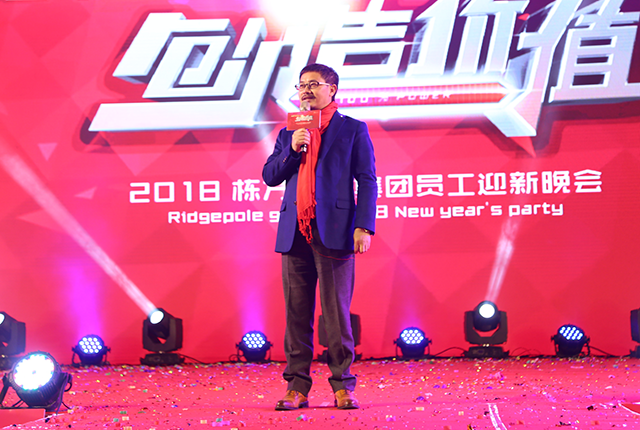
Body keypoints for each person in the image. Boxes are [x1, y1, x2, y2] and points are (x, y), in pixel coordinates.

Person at [262, 63, 377, 411]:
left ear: (332, 89)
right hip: (294, 232)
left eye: (313, 84)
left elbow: (367, 179)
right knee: (296, 314)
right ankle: (296, 387)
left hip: (336, 231)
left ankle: (343, 386)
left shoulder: (352, 129)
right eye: (301, 85)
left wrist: (363, 225)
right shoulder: (289, 132)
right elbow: (270, 176)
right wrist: (292, 149)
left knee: (336, 315)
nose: (306, 91)